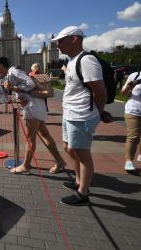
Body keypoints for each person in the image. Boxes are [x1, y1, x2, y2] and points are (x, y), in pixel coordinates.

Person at [51, 26, 108, 206]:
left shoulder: (87, 60)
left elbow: (100, 90)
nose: (58, 45)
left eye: (60, 41)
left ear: (74, 39)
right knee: (69, 148)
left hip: (81, 115)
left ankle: (83, 194)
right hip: (70, 113)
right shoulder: (73, 61)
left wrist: (98, 112)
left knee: (82, 153)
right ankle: (78, 181)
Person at [0, 57, 66, 174]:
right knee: (44, 134)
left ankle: (25, 165)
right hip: (35, 105)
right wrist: (16, 96)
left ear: (1, 65)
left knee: (31, 139)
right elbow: (22, 91)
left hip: (32, 107)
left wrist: (13, 88)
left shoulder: (13, 72)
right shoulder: (9, 75)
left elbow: (30, 83)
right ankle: (59, 161)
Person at [120, 70, 141, 172]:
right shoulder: (135, 76)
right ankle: (128, 161)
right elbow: (123, 92)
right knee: (133, 136)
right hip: (134, 111)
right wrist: (129, 86)